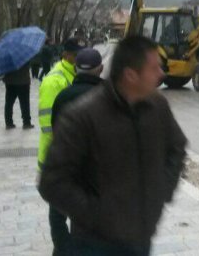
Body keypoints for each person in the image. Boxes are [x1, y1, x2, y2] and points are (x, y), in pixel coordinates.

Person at [39, 35, 187, 256]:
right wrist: (95, 215)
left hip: (140, 239)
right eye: (154, 68)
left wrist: (160, 191)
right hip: (94, 245)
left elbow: (177, 147)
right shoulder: (83, 115)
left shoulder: (157, 107)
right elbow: (52, 181)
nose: (161, 73)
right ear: (131, 75)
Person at [37, 37, 86, 256]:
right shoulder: (54, 80)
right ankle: (63, 251)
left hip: (73, 157)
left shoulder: (73, 76)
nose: (79, 58)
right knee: (57, 213)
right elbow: (48, 125)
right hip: (56, 156)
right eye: (76, 55)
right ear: (66, 55)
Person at [51, 48, 105, 127]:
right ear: (101, 69)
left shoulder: (62, 97)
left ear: (75, 69)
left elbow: (55, 126)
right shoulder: (109, 96)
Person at [2, 62, 33, 129]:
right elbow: (28, 65)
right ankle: (26, 122)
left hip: (10, 82)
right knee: (25, 103)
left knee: (9, 103)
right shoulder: (24, 56)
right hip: (23, 82)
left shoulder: (8, 58)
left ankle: (8, 122)